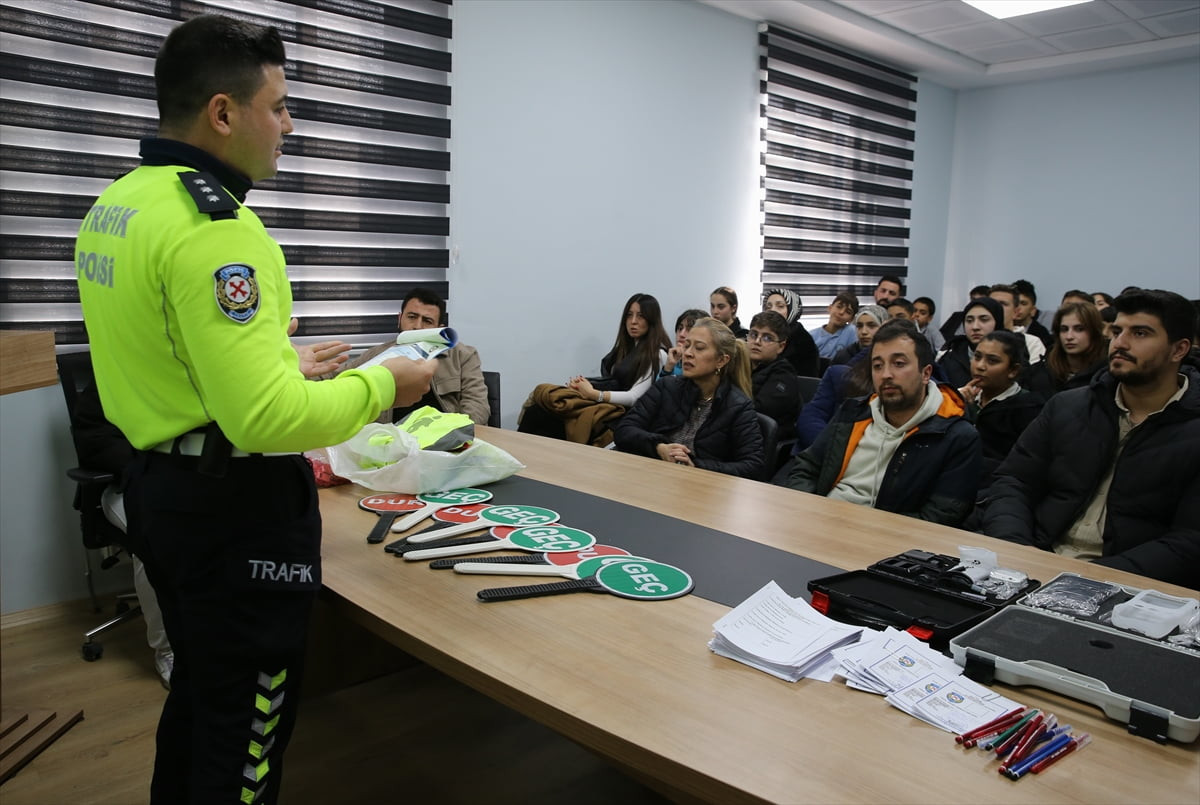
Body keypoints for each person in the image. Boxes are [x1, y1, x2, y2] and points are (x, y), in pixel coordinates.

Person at [73, 16, 435, 804]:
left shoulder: (119, 206)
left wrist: (275, 357)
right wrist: (387, 386)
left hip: (158, 490)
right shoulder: (218, 230)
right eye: (277, 106)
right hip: (231, 512)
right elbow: (264, 421)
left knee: (202, 694)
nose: (289, 125)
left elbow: (164, 355)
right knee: (248, 731)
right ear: (223, 113)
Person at [980, 289, 1199, 590]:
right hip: (1032, 562)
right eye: (1117, 331)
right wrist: (1016, 547)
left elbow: (1189, 541)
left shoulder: (1192, 429)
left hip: (1128, 588)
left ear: (1179, 350)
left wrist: (1087, 579)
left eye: (1140, 333)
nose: (1120, 343)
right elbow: (1013, 481)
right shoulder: (1069, 406)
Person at [785, 319, 981, 525]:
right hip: (820, 521)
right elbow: (806, 467)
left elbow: (939, 517)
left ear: (926, 374)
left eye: (899, 364)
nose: (886, 375)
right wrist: (809, 510)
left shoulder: (957, 437)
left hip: (884, 540)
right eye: (877, 366)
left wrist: (862, 529)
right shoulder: (854, 412)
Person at [615, 318, 764, 478]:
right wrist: (659, 447)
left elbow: (753, 465)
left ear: (721, 360)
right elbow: (624, 429)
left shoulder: (738, 406)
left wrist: (696, 465)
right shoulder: (667, 387)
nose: (687, 353)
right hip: (654, 475)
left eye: (699, 348)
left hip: (702, 488)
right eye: (686, 346)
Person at [519, 293, 670, 445]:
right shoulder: (625, 349)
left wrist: (594, 394)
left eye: (641, 316)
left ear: (652, 320)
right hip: (606, 407)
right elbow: (611, 382)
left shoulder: (658, 354)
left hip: (622, 418)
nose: (633, 322)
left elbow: (634, 397)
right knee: (538, 410)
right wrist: (583, 387)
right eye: (629, 315)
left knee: (544, 416)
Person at [333, 287, 490, 425]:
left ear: (439, 329)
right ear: (399, 319)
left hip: (444, 444)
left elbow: (477, 407)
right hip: (390, 444)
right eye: (412, 317)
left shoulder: (463, 356)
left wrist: (455, 436)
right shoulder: (377, 354)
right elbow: (335, 379)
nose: (417, 326)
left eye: (427, 321)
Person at [957, 331, 1044, 483]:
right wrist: (953, 402)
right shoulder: (963, 399)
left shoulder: (1029, 407)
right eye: (977, 357)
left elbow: (1023, 465)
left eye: (992, 361)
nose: (980, 366)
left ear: (1013, 371)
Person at [747, 312, 800, 439]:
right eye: (754, 335)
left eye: (767, 338)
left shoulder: (784, 374)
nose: (757, 342)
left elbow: (759, 411)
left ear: (781, 347)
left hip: (761, 440)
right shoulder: (741, 364)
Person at [936, 296, 1005, 389]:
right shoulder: (949, 357)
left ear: (998, 322)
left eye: (984, 319)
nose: (975, 327)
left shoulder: (1012, 353)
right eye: (969, 321)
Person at [1041, 301, 1108, 393]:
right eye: (1064, 329)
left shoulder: (1107, 373)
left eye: (1079, 329)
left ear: (1094, 332)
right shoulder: (1042, 371)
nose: (1069, 337)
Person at [762, 287, 820, 376]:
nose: (772, 310)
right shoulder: (762, 332)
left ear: (792, 310)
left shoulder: (803, 342)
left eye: (780, 306)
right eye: (768, 306)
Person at [988, 284, 1046, 364]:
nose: (996, 308)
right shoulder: (977, 337)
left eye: (1003, 304)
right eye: (992, 303)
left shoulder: (1032, 343)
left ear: (1016, 312)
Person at [809, 291, 859, 359]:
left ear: (851, 319)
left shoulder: (852, 332)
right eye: (839, 307)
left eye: (848, 312)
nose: (841, 312)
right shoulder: (811, 335)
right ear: (830, 308)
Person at [660, 308, 707, 378]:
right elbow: (657, 388)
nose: (681, 334)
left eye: (689, 329)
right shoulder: (673, 361)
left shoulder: (704, 365)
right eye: (680, 328)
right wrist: (668, 368)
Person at [1012, 279, 1053, 348]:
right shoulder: (1001, 329)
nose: (1017, 307)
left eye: (1023, 303)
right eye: (1014, 302)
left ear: (1033, 310)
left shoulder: (1041, 335)